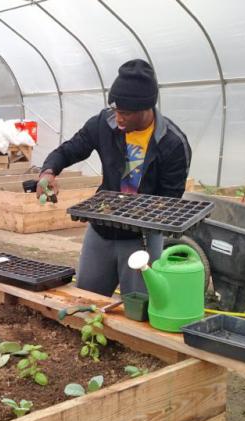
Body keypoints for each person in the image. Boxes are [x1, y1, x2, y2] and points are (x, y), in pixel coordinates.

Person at [38, 59, 192, 297]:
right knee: (87, 300)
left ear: (145, 109)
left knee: (138, 307)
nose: (119, 118)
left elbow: (169, 200)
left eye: (126, 113)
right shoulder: (104, 123)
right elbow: (70, 149)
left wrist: (134, 214)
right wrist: (48, 172)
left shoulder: (171, 144)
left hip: (141, 240)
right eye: (116, 110)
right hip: (101, 231)